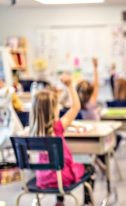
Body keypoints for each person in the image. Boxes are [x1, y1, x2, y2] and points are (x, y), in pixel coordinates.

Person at [31, 74, 95, 206]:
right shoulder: (58, 128)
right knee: (89, 167)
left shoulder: (32, 133)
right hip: (62, 178)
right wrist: (70, 86)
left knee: (55, 169)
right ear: (52, 110)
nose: (59, 109)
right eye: (56, 107)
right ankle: (87, 202)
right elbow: (76, 107)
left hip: (41, 179)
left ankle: (59, 201)